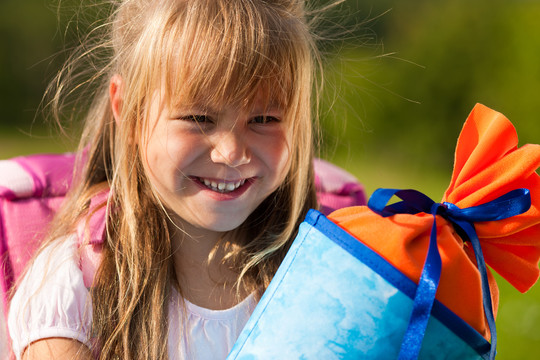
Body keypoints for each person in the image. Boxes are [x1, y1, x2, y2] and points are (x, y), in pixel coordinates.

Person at [7, 0, 322, 359]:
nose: (232, 153)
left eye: (264, 119)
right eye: (199, 117)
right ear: (129, 111)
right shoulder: (78, 282)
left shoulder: (318, 275)